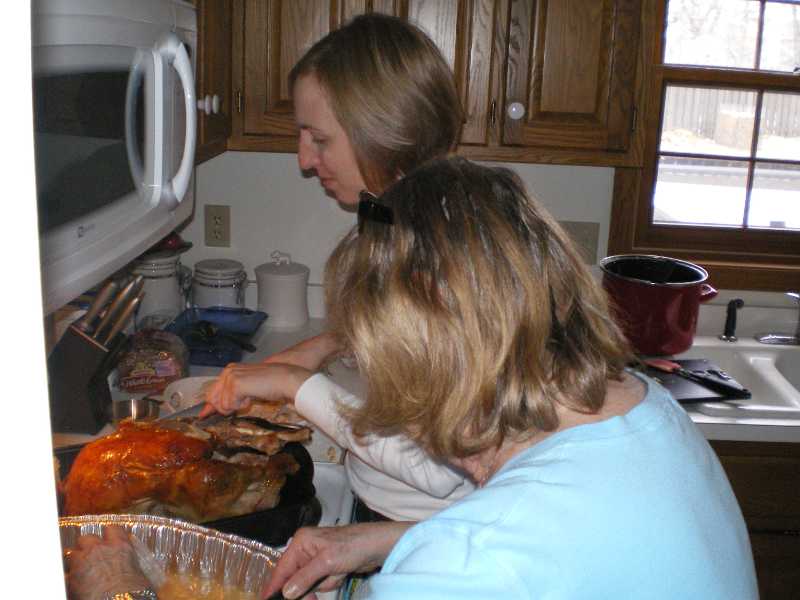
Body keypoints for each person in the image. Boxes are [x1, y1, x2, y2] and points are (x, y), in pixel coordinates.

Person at [215, 156, 756, 600]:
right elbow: (557, 549)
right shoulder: (649, 406)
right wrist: (387, 541)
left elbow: (489, 559)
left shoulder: (463, 567)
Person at [201, 12, 475, 523]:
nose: (304, 160)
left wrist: (294, 385)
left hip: (428, 527)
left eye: (320, 139)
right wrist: (326, 345)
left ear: (383, 132)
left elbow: (440, 468)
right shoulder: (388, 214)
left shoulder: (442, 256)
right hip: (387, 505)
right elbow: (402, 343)